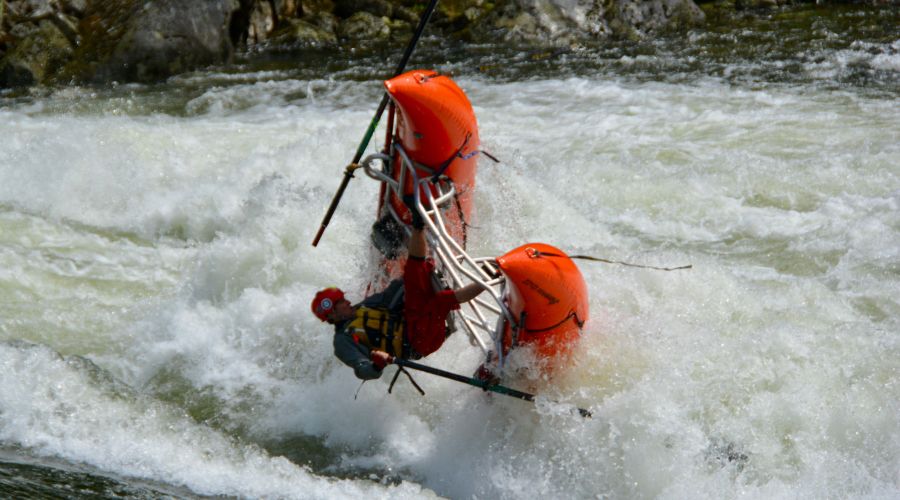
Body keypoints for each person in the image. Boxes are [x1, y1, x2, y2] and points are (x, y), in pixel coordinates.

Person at [311, 202, 483, 380]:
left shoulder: (364, 307)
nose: (346, 301)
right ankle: (486, 279)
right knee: (440, 301)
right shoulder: (342, 342)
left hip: (412, 321)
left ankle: (418, 223)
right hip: (417, 343)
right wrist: (377, 365)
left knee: (414, 269)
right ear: (332, 316)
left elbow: (389, 294)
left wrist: (413, 277)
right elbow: (362, 370)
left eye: (342, 299)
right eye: (340, 303)